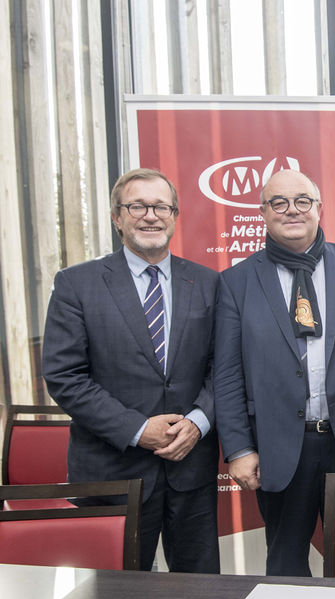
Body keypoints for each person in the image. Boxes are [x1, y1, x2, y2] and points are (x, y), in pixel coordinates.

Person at [214, 169, 335, 576]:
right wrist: (239, 449)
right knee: (285, 563)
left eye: (303, 200)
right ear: (263, 212)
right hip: (279, 446)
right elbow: (227, 374)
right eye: (279, 203)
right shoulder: (236, 282)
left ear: (319, 208)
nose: (292, 210)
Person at [42, 168, 221, 573]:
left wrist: (197, 422)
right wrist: (139, 431)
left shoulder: (209, 283)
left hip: (190, 467)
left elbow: (224, 366)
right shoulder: (76, 285)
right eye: (137, 206)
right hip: (112, 472)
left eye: (160, 206)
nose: (150, 216)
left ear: (175, 215)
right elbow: (65, 376)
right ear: (117, 217)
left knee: (202, 595)